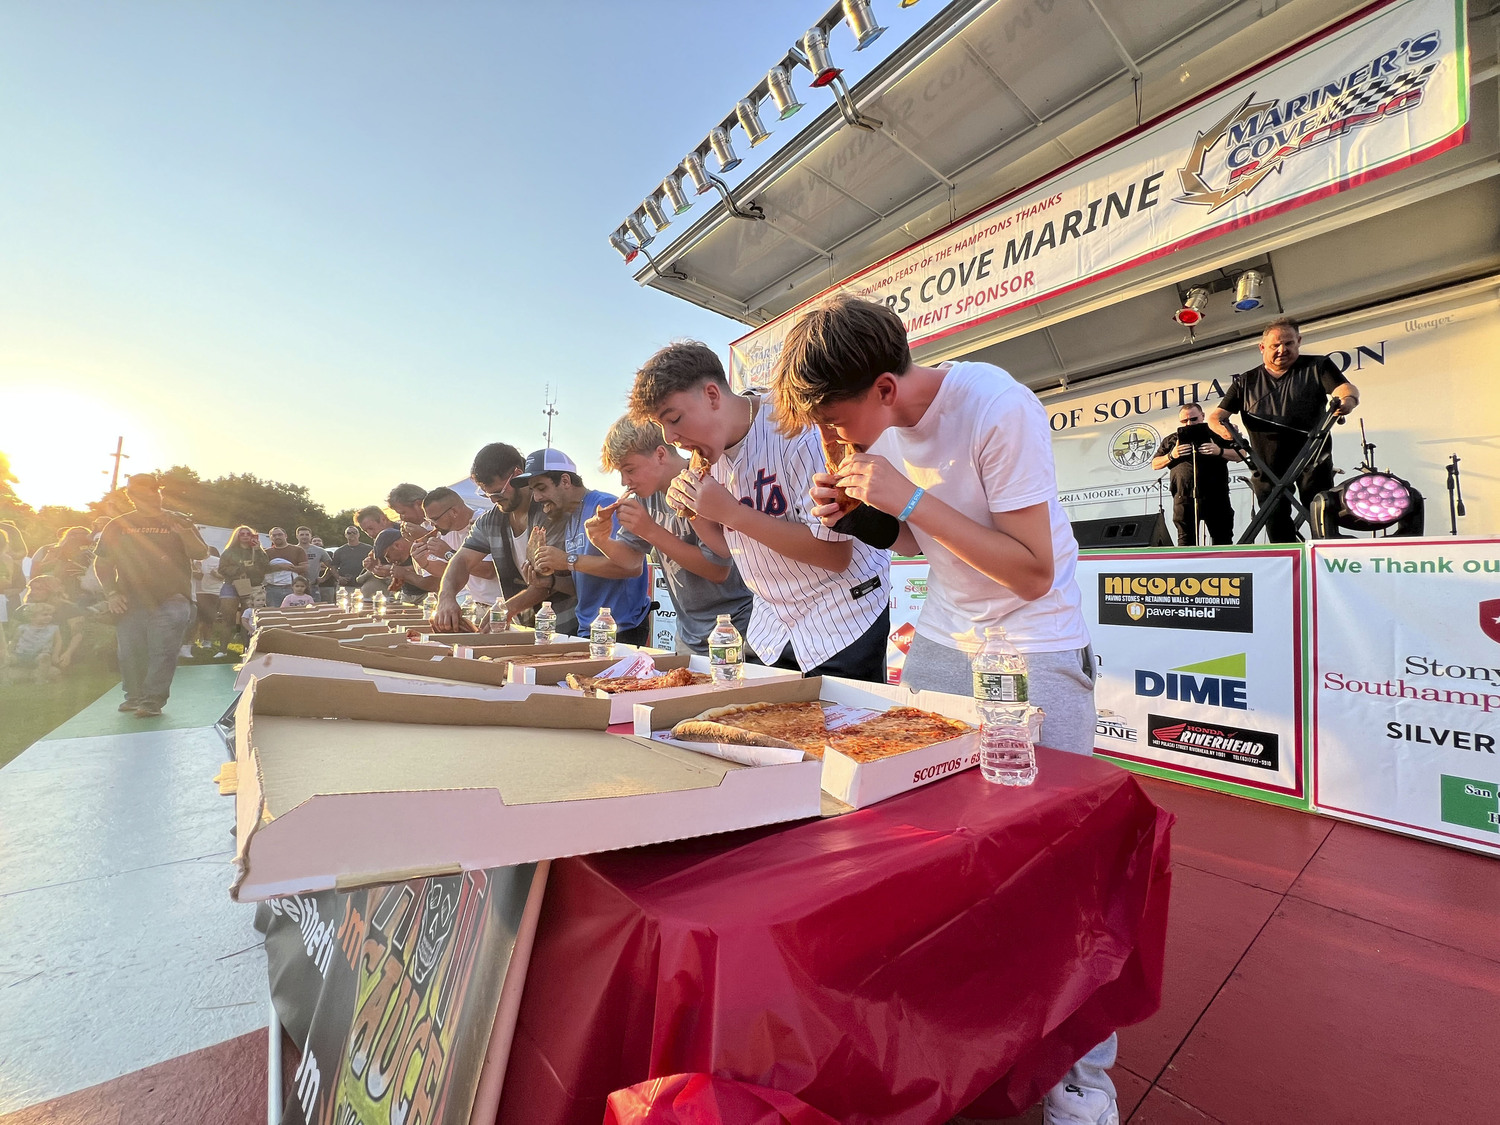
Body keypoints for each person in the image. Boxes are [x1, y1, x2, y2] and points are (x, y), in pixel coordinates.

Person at [770, 296, 1114, 1125]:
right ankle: (964, 1031)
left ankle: (1083, 1071)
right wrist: (871, 518)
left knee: (1058, 854)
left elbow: (1031, 570)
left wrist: (909, 500)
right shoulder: (881, 431)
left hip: (1032, 641)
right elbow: (928, 546)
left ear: (885, 386)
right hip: (945, 642)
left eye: (836, 417)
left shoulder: (997, 406)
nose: (835, 437)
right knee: (927, 843)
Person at [629, 341, 890, 681]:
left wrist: (732, 512)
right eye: (662, 426)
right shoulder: (707, 454)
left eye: (674, 418)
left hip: (843, 617)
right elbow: (727, 548)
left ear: (712, 395)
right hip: (772, 627)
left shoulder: (797, 431)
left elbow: (835, 555)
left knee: (845, 734)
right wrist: (698, 511)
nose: (671, 437)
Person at [591, 415, 754, 655]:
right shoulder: (646, 499)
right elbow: (631, 561)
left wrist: (650, 531)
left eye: (630, 469)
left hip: (737, 629)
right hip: (688, 635)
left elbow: (718, 570)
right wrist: (601, 539)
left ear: (660, 454)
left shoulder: (703, 482)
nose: (625, 482)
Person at [1209, 317, 1360, 543]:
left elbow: (1345, 389)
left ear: (1298, 341)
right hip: (1266, 464)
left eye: (1289, 343)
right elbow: (1216, 417)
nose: (1282, 350)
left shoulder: (1318, 366)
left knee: (1320, 511)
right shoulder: (1245, 381)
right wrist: (1223, 430)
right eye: (1275, 345)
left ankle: (1328, 559)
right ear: (1262, 348)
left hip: (1313, 458)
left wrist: (1347, 400)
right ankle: (1287, 564)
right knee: (1276, 519)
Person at [92, 473, 210, 718]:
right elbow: (103, 563)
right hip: (129, 596)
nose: (151, 496)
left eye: (155, 491)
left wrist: (186, 532)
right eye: (143, 492)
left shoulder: (179, 520)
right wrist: (111, 593)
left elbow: (201, 553)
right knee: (129, 652)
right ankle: (133, 697)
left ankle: (152, 701)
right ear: (132, 496)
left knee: (163, 650)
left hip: (172, 597)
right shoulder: (117, 525)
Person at [432, 442, 575, 634]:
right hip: (523, 625)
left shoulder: (550, 512)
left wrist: (506, 609)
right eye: (486, 494)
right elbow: (462, 560)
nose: (492, 500)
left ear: (517, 475)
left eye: (497, 492)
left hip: (565, 626)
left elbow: (548, 579)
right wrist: (446, 597)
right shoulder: (490, 520)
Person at [517, 448, 653, 645]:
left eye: (541, 488)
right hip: (588, 628)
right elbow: (587, 582)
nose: (537, 498)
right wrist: (550, 582)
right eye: (533, 491)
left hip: (620, 629)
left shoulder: (604, 506)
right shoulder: (570, 517)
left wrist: (567, 560)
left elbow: (630, 567)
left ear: (565, 481)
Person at [1150, 403, 1242, 546]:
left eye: (1193, 419)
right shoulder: (1172, 440)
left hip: (1216, 496)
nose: (1189, 424)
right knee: (1186, 543)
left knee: (1222, 540)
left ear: (1203, 416)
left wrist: (1220, 451)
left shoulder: (1217, 435)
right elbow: (1155, 464)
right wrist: (1171, 455)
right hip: (1184, 497)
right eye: (1184, 421)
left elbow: (1242, 454)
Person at [418, 487, 502, 610]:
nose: (432, 524)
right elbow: (448, 571)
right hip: (474, 604)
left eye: (434, 519)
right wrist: (424, 563)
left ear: (454, 512)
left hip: (499, 606)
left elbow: (489, 571)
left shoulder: (483, 522)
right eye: (428, 520)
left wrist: (448, 553)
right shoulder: (447, 531)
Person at [216, 526, 269, 642]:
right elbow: (221, 569)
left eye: (248, 534)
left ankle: (246, 647)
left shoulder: (257, 551)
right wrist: (239, 569)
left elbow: (265, 565)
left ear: (252, 536)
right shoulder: (229, 551)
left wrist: (258, 550)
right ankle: (222, 650)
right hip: (231, 584)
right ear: (237, 536)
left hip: (252, 585)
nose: (245, 536)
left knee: (248, 618)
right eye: (242, 534)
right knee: (228, 618)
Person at [4, 600, 64, 682]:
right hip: (20, 654)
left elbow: (58, 642)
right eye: (45, 615)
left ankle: (40, 680)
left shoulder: (53, 628)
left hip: (39, 655)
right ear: (32, 617)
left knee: (45, 658)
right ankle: (5, 678)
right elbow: (14, 641)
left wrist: (55, 655)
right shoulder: (22, 628)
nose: (49, 617)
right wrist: (8, 653)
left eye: (50, 615)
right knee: (5, 659)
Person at [262, 527, 308, 608]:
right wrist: (280, 566)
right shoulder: (266, 552)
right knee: (274, 614)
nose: (277, 537)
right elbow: (262, 569)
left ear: (285, 536)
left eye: (280, 534)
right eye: (274, 535)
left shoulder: (298, 550)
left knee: (294, 614)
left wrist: (290, 568)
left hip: (292, 588)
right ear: (271, 538)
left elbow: (304, 567)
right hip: (272, 589)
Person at [331, 526, 377, 598]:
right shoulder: (339, 551)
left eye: (355, 532)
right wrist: (339, 578)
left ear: (359, 535)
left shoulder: (368, 549)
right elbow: (333, 567)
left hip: (365, 585)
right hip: (346, 586)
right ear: (345, 535)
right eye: (349, 533)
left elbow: (376, 563)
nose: (352, 534)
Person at [295, 527, 335, 603]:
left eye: (307, 534)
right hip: (295, 588)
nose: (304, 536)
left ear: (310, 536)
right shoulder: (292, 550)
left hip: (313, 586)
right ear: (297, 536)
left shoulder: (319, 551)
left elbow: (332, 566)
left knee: (316, 609)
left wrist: (323, 578)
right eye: (302, 534)